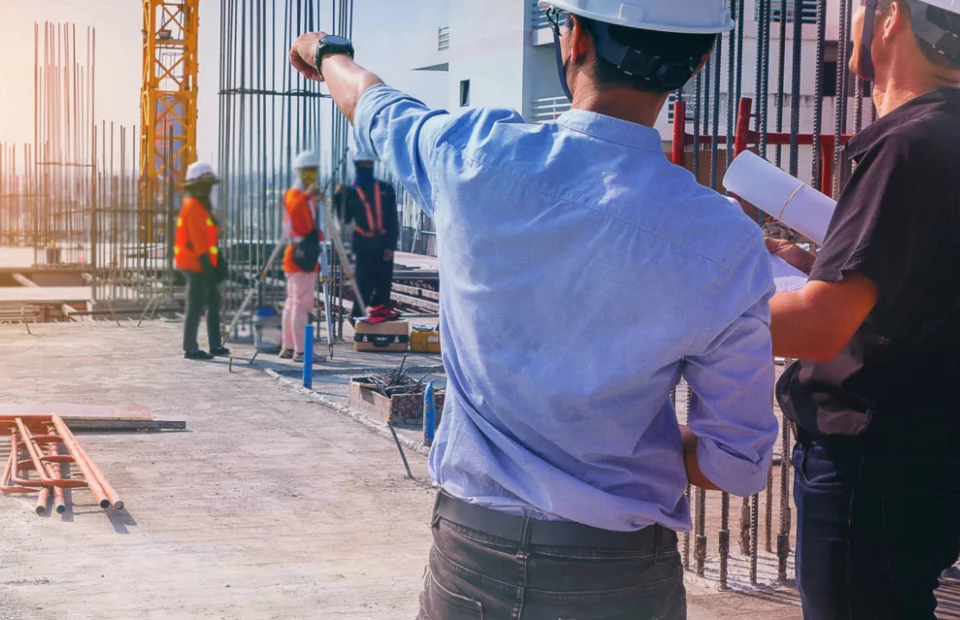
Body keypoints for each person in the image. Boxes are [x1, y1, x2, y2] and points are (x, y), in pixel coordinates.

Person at [288, 0, 778, 616]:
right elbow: (736, 464)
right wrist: (623, 440)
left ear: (573, 41)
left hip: (471, 560)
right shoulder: (724, 240)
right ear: (698, 61)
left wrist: (327, 51)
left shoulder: (473, 156)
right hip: (619, 579)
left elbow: (374, 104)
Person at [765, 0, 960, 617]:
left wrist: (681, 304)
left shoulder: (907, 148)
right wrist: (815, 271)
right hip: (916, 462)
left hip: (870, 470)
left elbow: (819, 329)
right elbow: (914, 296)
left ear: (891, 17)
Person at [333, 148, 400, 322]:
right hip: (363, 245)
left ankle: (381, 312)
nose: (366, 167)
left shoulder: (386, 189)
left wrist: (390, 246)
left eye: (369, 163)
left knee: (384, 282)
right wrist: (338, 198)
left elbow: (393, 220)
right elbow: (344, 218)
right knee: (363, 284)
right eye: (363, 164)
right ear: (357, 166)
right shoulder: (351, 192)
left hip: (383, 243)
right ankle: (357, 316)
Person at [175, 162, 228, 360]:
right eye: (205, 184)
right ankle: (190, 348)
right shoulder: (194, 206)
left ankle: (215, 344)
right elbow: (197, 241)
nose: (208, 188)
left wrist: (218, 261)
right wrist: (208, 265)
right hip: (194, 263)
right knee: (195, 304)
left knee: (213, 302)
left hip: (203, 262)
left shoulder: (203, 207)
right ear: (195, 185)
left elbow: (209, 239)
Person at [279, 152, 324, 359]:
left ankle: (289, 347)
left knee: (293, 303)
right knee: (301, 305)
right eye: (307, 172)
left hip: (301, 256)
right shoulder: (295, 195)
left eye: (312, 172)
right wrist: (308, 195)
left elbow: (311, 226)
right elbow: (295, 210)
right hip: (300, 258)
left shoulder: (306, 198)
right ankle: (302, 350)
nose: (310, 176)